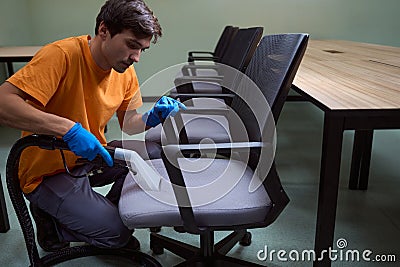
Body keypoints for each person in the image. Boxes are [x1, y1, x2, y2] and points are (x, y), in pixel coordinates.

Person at [0, 0, 185, 252]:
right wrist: (68, 129)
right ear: (104, 30)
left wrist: (153, 116)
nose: (136, 57)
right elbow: (3, 104)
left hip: (89, 156)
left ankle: (92, 213)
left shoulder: (125, 70)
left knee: (153, 154)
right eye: (132, 45)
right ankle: (53, 221)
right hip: (49, 170)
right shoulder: (62, 55)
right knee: (119, 235)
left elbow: (129, 124)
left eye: (142, 49)